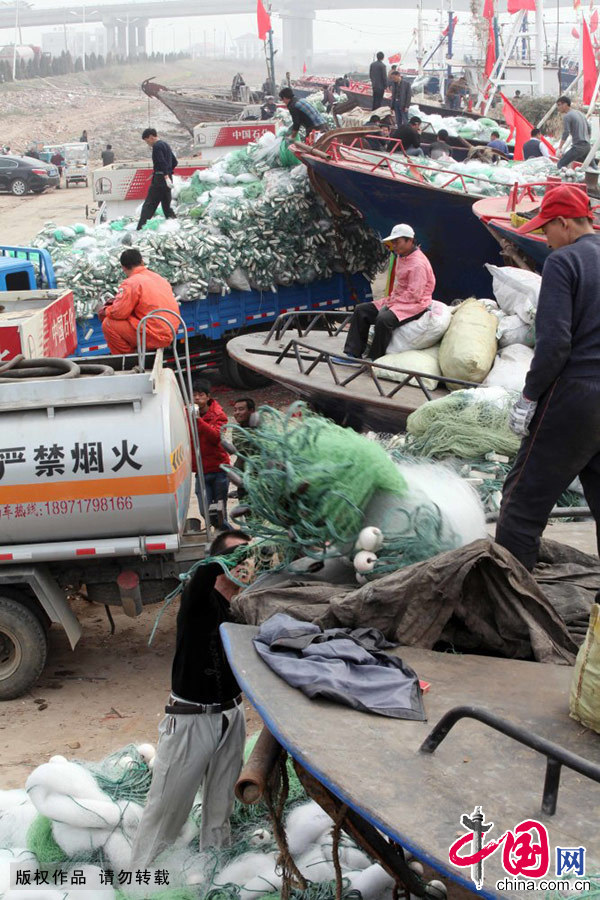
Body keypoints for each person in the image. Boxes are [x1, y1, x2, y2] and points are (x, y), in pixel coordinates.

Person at [130, 528, 250, 868]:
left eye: (247, 556)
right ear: (220, 560)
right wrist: (226, 559)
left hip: (231, 715)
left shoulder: (241, 606)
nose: (244, 563)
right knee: (167, 810)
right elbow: (202, 573)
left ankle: (213, 868)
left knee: (220, 807)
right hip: (190, 720)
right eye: (237, 555)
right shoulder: (197, 598)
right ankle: (141, 877)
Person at [495, 184, 600, 570]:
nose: (546, 241)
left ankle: (513, 613)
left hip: (575, 396)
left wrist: (529, 396)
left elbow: (554, 343)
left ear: (565, 224)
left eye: (546, 231)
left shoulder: (564, 262)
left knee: (521, 506)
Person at [336, 223, 435, 362]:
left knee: (383, 320)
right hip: (398, 299)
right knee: (361, 310)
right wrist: (390, 302)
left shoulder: (418, 264)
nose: (394, 245)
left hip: (415, 304)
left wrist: (390, 305)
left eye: (397, 242)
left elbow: (415, 294)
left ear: (410, 241)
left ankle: (375, 358)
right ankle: (352, 354)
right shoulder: (401, 255)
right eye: (392, 242)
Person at [99, 248, 180, 355]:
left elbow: (119, 313)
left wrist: (106, 310)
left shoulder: (131, 283)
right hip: (171, 330)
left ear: (123, 268)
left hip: (155, 335)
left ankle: (127, 362)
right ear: (142, 262)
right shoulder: (159, 277)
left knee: (108, 324)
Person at [192, 379, 231, 528]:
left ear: (208, 397)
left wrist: (198, 421)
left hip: (219, 470)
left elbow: (216, 437)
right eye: (194, 395)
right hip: (201, 471)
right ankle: (232, 535)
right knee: (206, 512)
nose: (196, 398)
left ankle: (229, 540)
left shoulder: (218, 415)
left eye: (200, 395)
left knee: (220, 512)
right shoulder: (187, 413)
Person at [137, 127, 178, 230]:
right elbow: (175, 162)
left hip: (160, 179)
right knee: (166, 205)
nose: (148, 144)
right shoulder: (166, 145)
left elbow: (161, 161)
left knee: (149, 204)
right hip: (168, 180)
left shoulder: (157, 146)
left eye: (147, 141)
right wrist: (169, 173)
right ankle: (175, 224)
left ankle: (140, 228)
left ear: (151, 137)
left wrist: (165, 175)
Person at [231, 397, 258, 498]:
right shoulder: (237, 430)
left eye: (241, 409)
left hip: (259, 478)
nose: (237, 412)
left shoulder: (263, 429)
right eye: (235, 410)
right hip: (243, 478)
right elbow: (243, 449)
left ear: (251, 411)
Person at [556, 96, 591, 169]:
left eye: (559, 105)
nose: (558, 107)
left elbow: (566, 132)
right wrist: (588, 138)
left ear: (565, 104)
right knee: (592, 167)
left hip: (578, 147)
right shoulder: (580, 113)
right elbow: (589, 128)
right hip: (587, 146)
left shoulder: (567, 116)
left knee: (560, 164)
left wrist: (559, 148)